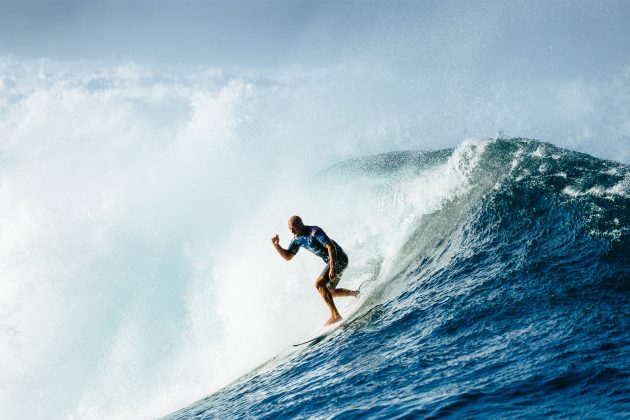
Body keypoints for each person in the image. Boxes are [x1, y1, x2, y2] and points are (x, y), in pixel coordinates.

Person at [272, 215, 359, 325]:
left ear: (300, 224)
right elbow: (288, 256)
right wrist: (277, 245)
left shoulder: (314, 231)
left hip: (339, 258)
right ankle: (355, 294)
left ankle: (335, 315)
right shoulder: (297, 239)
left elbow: (330, 246)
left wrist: (332, 267)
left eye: (293, 228)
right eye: (290, 229)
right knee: (329, 291)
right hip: (333, 262)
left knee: (319, 284)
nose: (292, 231)